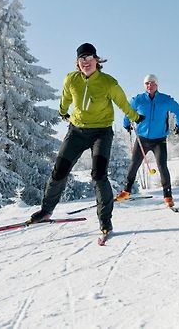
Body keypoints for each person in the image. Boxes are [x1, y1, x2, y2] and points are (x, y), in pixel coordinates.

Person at [29, 43, 144, 234]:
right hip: (77, 132)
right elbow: (66, 97)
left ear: (97, 60)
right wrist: (63, 112)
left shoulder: (108, 82)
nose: (86, 62)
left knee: (99, 175)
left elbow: (122, 102)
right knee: (59, 171)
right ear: (77, 63)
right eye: (82, 59)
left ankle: (105, 221)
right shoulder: (71, 79)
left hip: (101, 133)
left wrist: (135, 117)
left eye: (89, 57)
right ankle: (46, 211)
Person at [116, 74, 179, 208]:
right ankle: (126, 191)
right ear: (144, 85)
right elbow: (128, 111)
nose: (149, 85)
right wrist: (126, 123)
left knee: (162, 166)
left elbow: (177, 110)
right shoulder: (138, 99)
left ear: (157, 85)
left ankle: (168, 196)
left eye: (152, 83)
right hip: (142, 139)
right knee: (134, 164)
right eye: (147, 83)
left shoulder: (165, 100)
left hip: (159, 140)